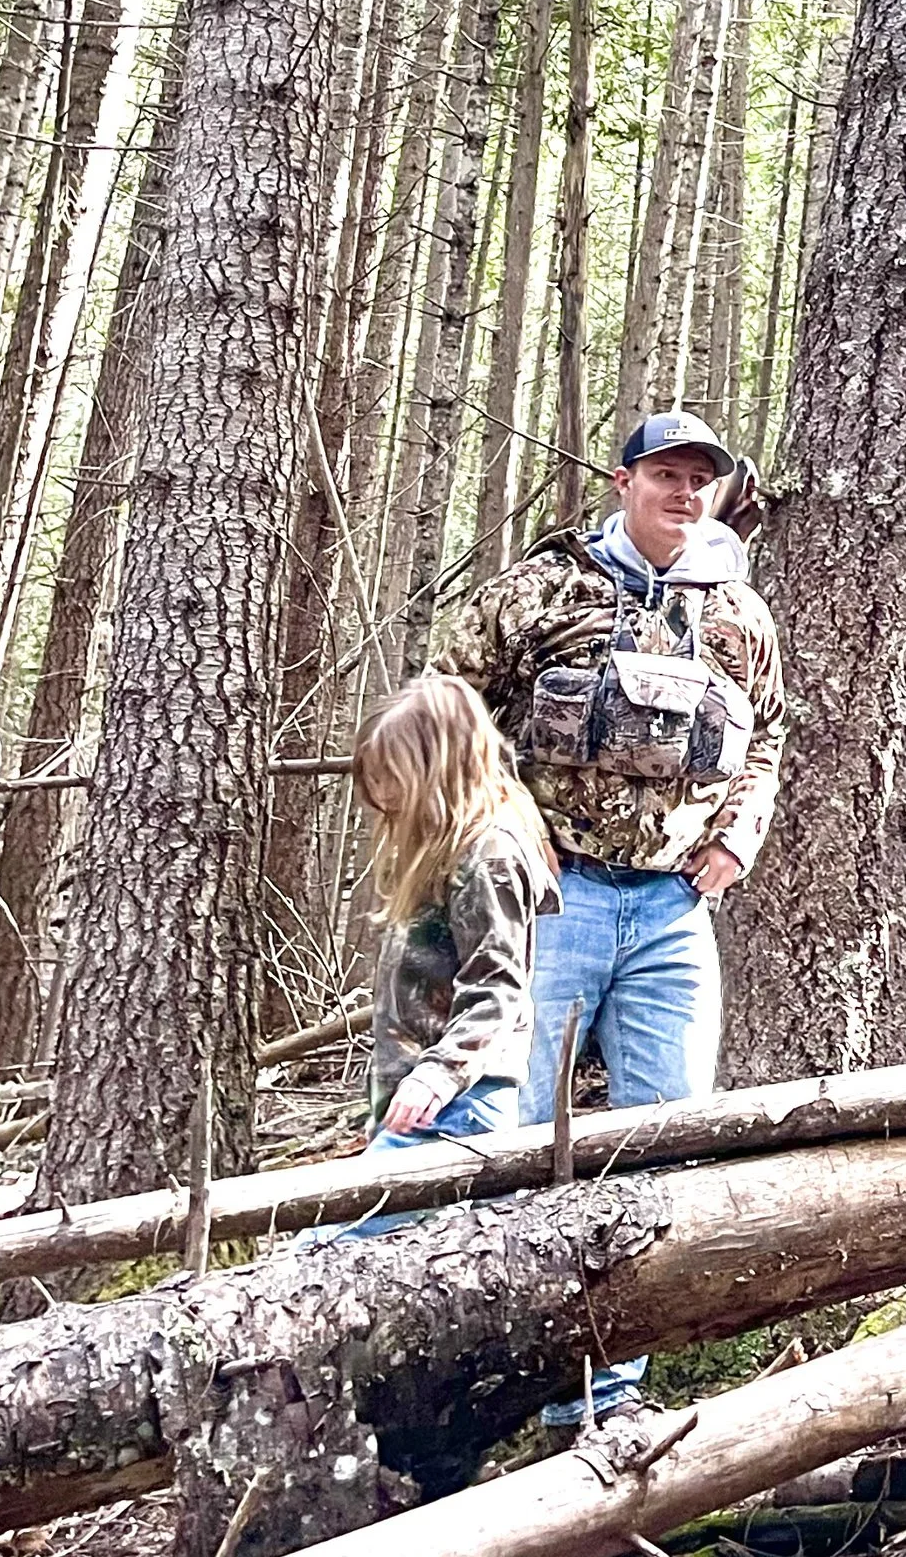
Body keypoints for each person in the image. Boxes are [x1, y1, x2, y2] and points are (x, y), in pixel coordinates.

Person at [430, 407, 783, 1421]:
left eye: (701, 482)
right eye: (664, 476)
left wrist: (733, 842)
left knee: (665, 1143)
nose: (683, 495)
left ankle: (610, 1393)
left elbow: (770, 736)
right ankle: (503, 1381)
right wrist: (505, 822)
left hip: (675, 913)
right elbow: (445, 710)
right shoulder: (542, 590)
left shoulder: (737, 613)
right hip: (557, 901)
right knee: (508, 1139)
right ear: (624, 482)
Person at [321, 674, 559, 1241]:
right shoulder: (451, 850)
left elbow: (498, 987)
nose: (384, 798)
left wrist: (438, 1074)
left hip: (459, 1106)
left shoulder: (490, 858)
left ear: (437, 770)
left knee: (327, 1251)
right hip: (429, 1100)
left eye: (392, 780)